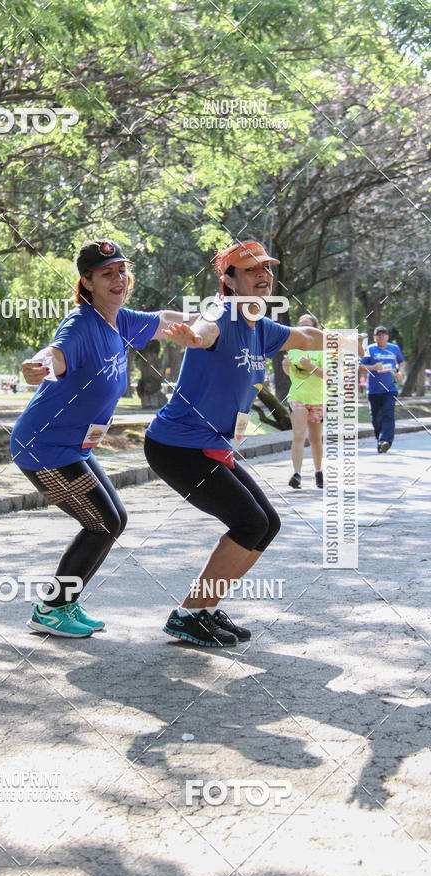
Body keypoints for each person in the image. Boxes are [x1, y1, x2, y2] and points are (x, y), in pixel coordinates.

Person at [144, 239, 332, 649]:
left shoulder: (259, 326)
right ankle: (188, 615)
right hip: (177, 446)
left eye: (266, 268)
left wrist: (347, 342)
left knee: (267, 524)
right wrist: (193, 338)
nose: (263, 275)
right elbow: (205, 329)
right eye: (250, 270)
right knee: (249, 523)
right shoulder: (221, 312)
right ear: (229, 280)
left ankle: (204, 609)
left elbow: (305, 336)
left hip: (210, 446)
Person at [10, 239, 198, 638]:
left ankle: (65, 602)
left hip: (73, 446)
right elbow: (55, 353)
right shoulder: (82, 323)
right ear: (87, 281)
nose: (118, 279)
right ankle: (50, 609)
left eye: (122, 271)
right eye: (107, 273)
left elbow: (165, 319)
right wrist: (37, 365)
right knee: (103, 522)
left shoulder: (121, 321)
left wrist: (213, 319)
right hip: (43, 446)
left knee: (115, 520)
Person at [282, 313, 325, 489]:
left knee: (315, 439)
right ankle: (297, 474)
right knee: (298, 435)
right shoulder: (292, 349)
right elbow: (290, 373)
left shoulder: (322, 349)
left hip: (318, 399)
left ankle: (318, 471)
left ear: (314, 328)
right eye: (301, 325)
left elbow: (327, 374)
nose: (304, 328)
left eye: (308, 325)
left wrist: (310, 366)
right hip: (297, 398)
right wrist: (285, 367)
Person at [359, 324, 405, 453]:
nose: (381, 337)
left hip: (391, 388)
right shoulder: (369, 350)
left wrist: (400, 373)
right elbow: (359, 366)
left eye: (383, 334)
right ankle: (381, 441)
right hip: (374, 390)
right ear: (374, 338)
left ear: (387, 337)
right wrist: (374, 367)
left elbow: (401, 362)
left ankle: (385, 441)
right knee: (376, 418)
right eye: (378, 335)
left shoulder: (394, 348)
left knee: (388, 413)